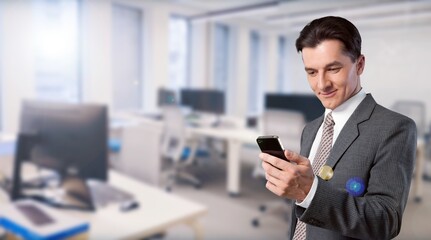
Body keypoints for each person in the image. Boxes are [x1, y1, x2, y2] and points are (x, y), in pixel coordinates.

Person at [259, 16, 416, 240]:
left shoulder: (395, 128)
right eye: (311, 72)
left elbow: (385, 221)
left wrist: (310, 191)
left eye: (333, 69)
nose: (321, 84)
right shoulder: (311, 129)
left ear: (360, 64)